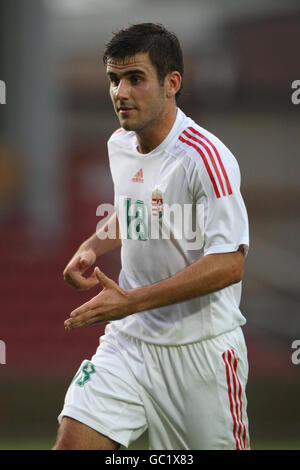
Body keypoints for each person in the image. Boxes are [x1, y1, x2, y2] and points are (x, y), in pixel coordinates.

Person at [53, 23, 250, 450]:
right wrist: (92, 246)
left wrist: (130, 301)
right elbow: (136, 211)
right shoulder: (121, 144)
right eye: (114, 79)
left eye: (135, 78)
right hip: (129, 341)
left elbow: (230, 262)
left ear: (172, 83)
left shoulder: (206, 158)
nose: (121, 92)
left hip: (200, 353)